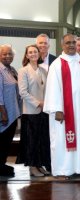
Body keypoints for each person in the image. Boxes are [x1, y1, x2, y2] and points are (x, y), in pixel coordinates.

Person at [43, 33, 80, 178]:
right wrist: (57, 109)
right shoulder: (57, 64)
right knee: (62, 140)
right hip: (64, 111)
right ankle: (62, 170)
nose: (71, 45)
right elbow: (52, 88)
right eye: (68, 43)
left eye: (74, 42)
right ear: (62, 45)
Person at [15, 44, 51, 177]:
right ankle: (32, 167)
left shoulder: (43, 70)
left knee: (41, 139)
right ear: (26, 55)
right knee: (31, 140)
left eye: (35, 52)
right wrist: (38, 103)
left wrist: (47, 103)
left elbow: (48, 89)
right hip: (31, 111)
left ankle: (39, 164)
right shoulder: (23, 71)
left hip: (44, 110)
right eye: (30, 52)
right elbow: (23, 92)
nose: (33, 54)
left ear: (39, 54)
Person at [0, 45, 21, 177]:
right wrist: (3, 112)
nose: (7, 56)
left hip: (13, 112)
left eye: (10, 54)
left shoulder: (11, 70)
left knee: (7, 141)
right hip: (4, 113)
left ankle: (2, 164)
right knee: (2, 140)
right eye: (4, 54)